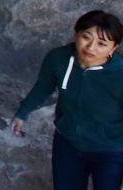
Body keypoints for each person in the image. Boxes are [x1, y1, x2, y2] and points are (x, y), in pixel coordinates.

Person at [11, 10, 123, 190]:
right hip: (68, 143)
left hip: (111, 149)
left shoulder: (120, 74)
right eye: (86, 37)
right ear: (76, 34)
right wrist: (22, 113)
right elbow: (43, 87)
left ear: (113, 48)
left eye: (102, 44)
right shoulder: (58, 58)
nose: (91, 47)